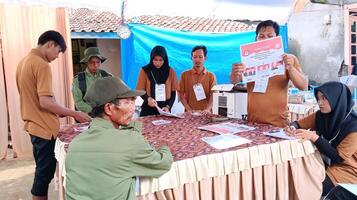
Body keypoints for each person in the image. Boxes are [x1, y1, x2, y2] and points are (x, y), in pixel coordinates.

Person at [65, 77, 173, 200]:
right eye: (127, 102)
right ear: (109, 108)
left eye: (133, 102)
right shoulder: (129, 141)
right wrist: (164, 147)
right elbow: (163, 164)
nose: (133, 108)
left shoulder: (74, 144)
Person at [16, 30, 91, 200]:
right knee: (44, 175)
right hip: (43, 128)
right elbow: (45, 102)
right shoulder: (41, 64)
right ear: (50, 44)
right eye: (58, 51)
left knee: (42, 171)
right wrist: (74, 113)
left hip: (34, 125)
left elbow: (35, 100)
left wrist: (59, 112)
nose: (57, 57)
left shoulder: (24, 62)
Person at [230, 20, 308, 127]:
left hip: (278, 124)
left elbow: (303, 86)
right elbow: (234, 81)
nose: (265, 39)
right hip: (252, 123)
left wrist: (290, 68)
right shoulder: (249, 60)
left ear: (277, 38)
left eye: (270, 36)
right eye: (261, 36)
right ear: (256, 38)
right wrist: (235, 72)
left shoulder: (289, 59)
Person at [287, 81, 357, 196]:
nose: (320, 103)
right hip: (324, 162)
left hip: (347, 170)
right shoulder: (321, 115)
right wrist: (291, 127)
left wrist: (314, 137)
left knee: (310, 188)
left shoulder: (354, 127)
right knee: (296, 176)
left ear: (336, 98)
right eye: (318, 98)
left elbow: (338, 157)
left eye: (324, 98)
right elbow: (298, 124)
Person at [136, 46, 178, 116]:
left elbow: (173, 92)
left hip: (164, 109)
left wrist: (168, 107)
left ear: (165, 59)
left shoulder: (170, 71)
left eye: (160, 60)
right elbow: (140, 91)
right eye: (155, 59)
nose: (158, 63)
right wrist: (148, 99)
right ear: (151, 58)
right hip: (148, 109)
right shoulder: (145, 71)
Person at [72, 47, 112, 113]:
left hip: (107, 114)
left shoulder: (108, 77)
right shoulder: (78, 80)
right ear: (86, 63)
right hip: (88, 116)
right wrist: (93, 111)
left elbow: (114, 96)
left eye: (98, 62)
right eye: (92, 62)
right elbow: (78, 102)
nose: (95, 65)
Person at [178, 45, 217, 113]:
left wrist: (207, 109)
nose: (197, 60)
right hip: (190, 113)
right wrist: (188, 109)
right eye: (195, 57)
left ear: (205, 58)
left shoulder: (211, 76)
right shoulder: (184, 75)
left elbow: (214, 95)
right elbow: (180, 94)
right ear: (191, 58)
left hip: (206, 113)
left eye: (200, 57)